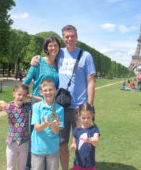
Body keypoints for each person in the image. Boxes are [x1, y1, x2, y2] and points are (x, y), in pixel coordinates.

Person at [31, 25, 96, 170]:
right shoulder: (59, 53)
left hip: (80, 107)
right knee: (62, 143)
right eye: (66, 36)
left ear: (77, 37)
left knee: (83, 141)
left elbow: (91, 81)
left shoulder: (86, 56)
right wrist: (36, 58)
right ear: (63, 38)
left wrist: (88, 105)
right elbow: (48, 55)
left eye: (72, 36)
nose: (69, 39)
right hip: (61, 107)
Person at [24, 36, 61, 170]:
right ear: (46, 48)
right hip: (37, 105)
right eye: (50, 45)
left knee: (49, 135)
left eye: (56, 45)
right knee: (35, 136)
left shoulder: (59, 64)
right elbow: (27, 80)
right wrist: (19, 96)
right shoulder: (38, 62)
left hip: (52, 105)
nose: (53, 48)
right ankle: (28, 166)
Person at [0, 84, 41, 170]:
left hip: (24, 143)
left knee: (22, 167)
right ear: (14, 94)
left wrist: (33, 97)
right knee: (10, 167)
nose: (21, 97)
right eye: (19, 94)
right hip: (11, 143)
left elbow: (42, 101)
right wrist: (0, 102)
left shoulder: (27, 106)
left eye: (24, 95)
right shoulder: (9, 106)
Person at [31, 79, 64, 170]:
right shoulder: (36, 107)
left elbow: (56, 131)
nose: (48, 92)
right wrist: (45, 125)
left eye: (50, 89)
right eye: (45, 90)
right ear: (41, 92)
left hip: (52, 149)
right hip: (38, 148)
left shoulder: (60, 109)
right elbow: (37, 128)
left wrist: (54, 126)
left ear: (55, 90)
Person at [70, 103, 99, 170]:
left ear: (92, 116)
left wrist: (92, 140)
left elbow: (96, 142)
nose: (86, 120)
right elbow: (74, 141)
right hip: (78, 164)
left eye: (88, 118)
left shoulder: (94, 129)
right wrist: (73, 145)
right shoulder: (77, 129)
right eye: (83, 118)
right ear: (79, 116)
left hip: (90, 164)